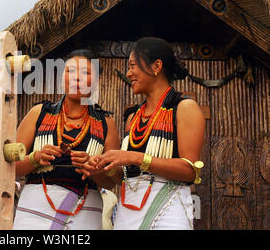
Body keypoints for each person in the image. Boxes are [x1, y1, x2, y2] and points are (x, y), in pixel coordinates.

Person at [82, 37, 204, 230]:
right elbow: (122, 178)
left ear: (156, 66)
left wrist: (135, 157)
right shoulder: (133, 118)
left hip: (169, 208)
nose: (129, 73)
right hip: (127, 210)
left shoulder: (184, 108)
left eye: (132, 66)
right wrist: (101, 168)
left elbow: (189, 171)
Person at [13, 49, 120, 230]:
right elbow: (10, 166)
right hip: (34, 209)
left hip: (85, 211)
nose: (76, 78)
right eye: (70, 71)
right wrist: (35, 158)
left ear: (96, 82)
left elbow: (113, 180)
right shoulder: (39, 113)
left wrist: (95, 170)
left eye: (85, 73)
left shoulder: (106, 123)